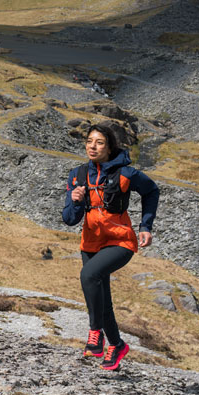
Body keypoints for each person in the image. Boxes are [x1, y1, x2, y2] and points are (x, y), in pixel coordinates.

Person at [62, 123, 159, 371]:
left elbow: (152, 191)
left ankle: (95, 333)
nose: (92, 146)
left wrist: (145, 226)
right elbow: (70, 219)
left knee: (89, 274)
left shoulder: (126, 173)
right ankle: (116, 346)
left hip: (120, 240)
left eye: (99, 142)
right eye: (89, 141)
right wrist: (75, 200)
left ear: (109, 147)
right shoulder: (77, 174)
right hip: (90, 243)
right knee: (101, 300)